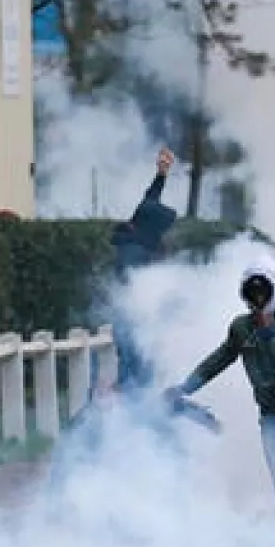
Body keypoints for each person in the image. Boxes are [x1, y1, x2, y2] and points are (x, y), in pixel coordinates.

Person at [165, 260, 275, 541]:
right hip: (270, 418)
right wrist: (185, 388)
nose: (258, 299)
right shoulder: (241, 328)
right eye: (251, 293)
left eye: (263, 291)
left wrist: (270, 335)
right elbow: (219, 360)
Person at [108, 146, 178, 394]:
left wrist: (161, 174)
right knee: (136, 386)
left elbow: (150, 200)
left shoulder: (138, 227)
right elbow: (136, 300)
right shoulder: (133, 255)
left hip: (138, 328)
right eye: (162, 231)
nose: (165, 237)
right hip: (133, 329)